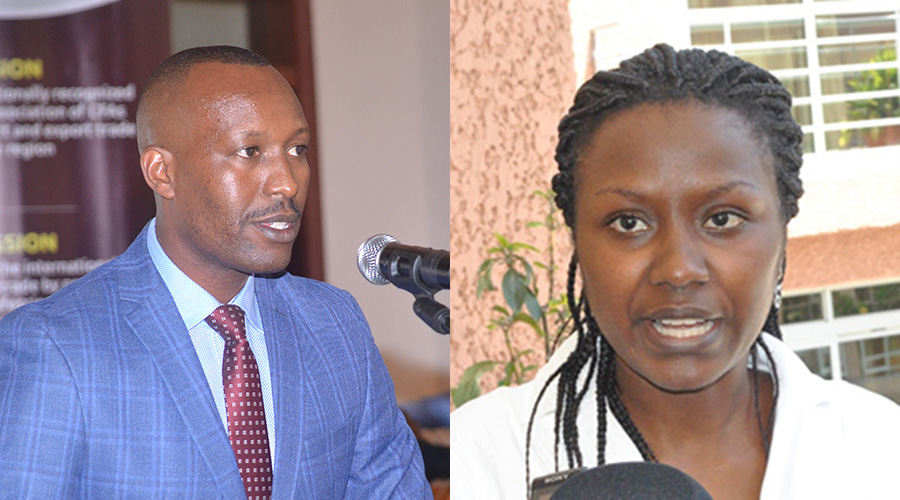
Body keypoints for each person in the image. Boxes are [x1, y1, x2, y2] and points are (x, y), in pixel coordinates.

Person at [450, 44, 900, 500]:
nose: (679, 270)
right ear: (576, 241)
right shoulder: (478, 458)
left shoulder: (880, 449)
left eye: (722, 219)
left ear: (782, 232)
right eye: (629, 223)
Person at [0, 46, 430, 499]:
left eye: (297, 148)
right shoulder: (55, 345)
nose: (287, 181)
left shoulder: (334, 324)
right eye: (251, 151)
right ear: (162, 172)